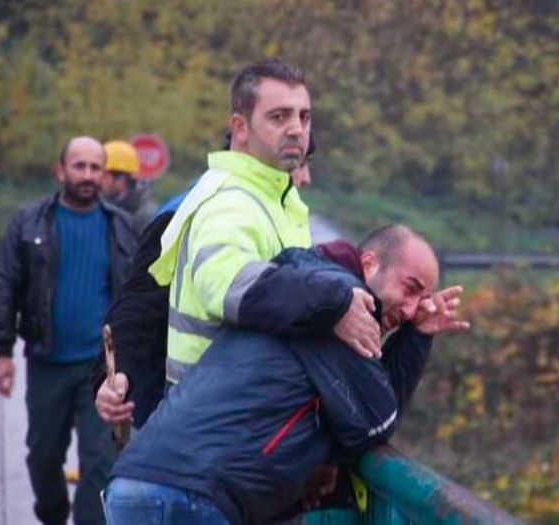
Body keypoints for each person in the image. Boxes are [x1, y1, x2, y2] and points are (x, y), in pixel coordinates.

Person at [103, 225, 469, 524]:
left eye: (420, 302)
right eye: (410, 289)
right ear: (369, 264)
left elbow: (356, 402)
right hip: (193, 496)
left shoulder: (303, 289)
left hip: (137, 482)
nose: (409, 309)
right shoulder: (344, 306)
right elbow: (375, 421)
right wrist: (417, 337)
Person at [147, 58, 381, 388]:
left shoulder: (277, 196)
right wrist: (332, 303)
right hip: (216, 413)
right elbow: (228, 283)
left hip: (241, 404)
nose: (297, 129)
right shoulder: (228, 199)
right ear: (240, 128)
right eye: (279, 116)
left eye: (304, 116)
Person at [92, 134, 317, 430]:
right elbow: (140, 305)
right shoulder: (187, 210)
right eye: (299, 166)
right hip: (176, 414)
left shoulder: (284, 215)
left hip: (248, 409)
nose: (306, 178)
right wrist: (117, 374)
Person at [0, 136, 138, 525]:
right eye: (80, 166)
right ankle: (53, 517)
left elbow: (139, 297)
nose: (88, 175)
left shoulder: (122, 227)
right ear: (61, 171)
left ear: (104, 175)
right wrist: (2, 352)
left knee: (100, 464)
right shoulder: (29, 223)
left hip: (103, 372)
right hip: (47, 363)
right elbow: (5, 285)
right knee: (43, 458)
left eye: (96, 167)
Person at [102, 140, 158, 235]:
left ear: (119, 177)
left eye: (104, 175)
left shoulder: (145, 215)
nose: (99, 179)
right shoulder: (102, 206)